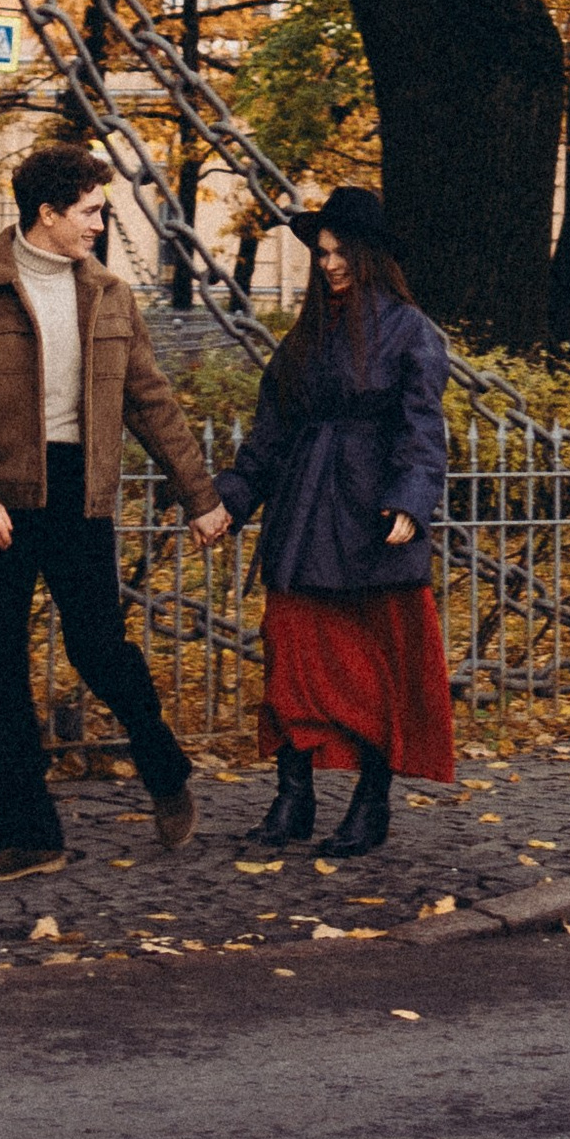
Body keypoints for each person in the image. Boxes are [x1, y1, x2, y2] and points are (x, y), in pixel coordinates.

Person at [0, 143, 230, 881]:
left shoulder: (111, 297)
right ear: (48, 213)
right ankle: (30, 836)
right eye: (90, 210)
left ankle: (161, 763)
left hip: (78, 492)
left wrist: (202, 497)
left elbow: (150, 402)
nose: (99, 223)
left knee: (99, 649)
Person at [214, 186, 453, 861]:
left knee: (365, 670)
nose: (328, 264)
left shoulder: (411, 330)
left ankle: (369, 802)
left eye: (341, 252)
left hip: (371, 519)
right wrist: (229, 501)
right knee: (290, 654)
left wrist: (410, 500)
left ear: (370, 255)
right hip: (301, 516)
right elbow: (270, 433)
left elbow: (422, 429)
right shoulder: (306, 337)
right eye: (321, 253)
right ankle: (293, 795)